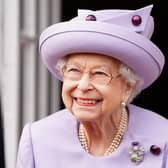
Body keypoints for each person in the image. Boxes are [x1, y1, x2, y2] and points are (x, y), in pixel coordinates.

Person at [16, 5, 168, 168]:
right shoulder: (37, 138)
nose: (83, 85)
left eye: (100, 74)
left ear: (128, 87)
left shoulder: (163, 136)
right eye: (74, 70)